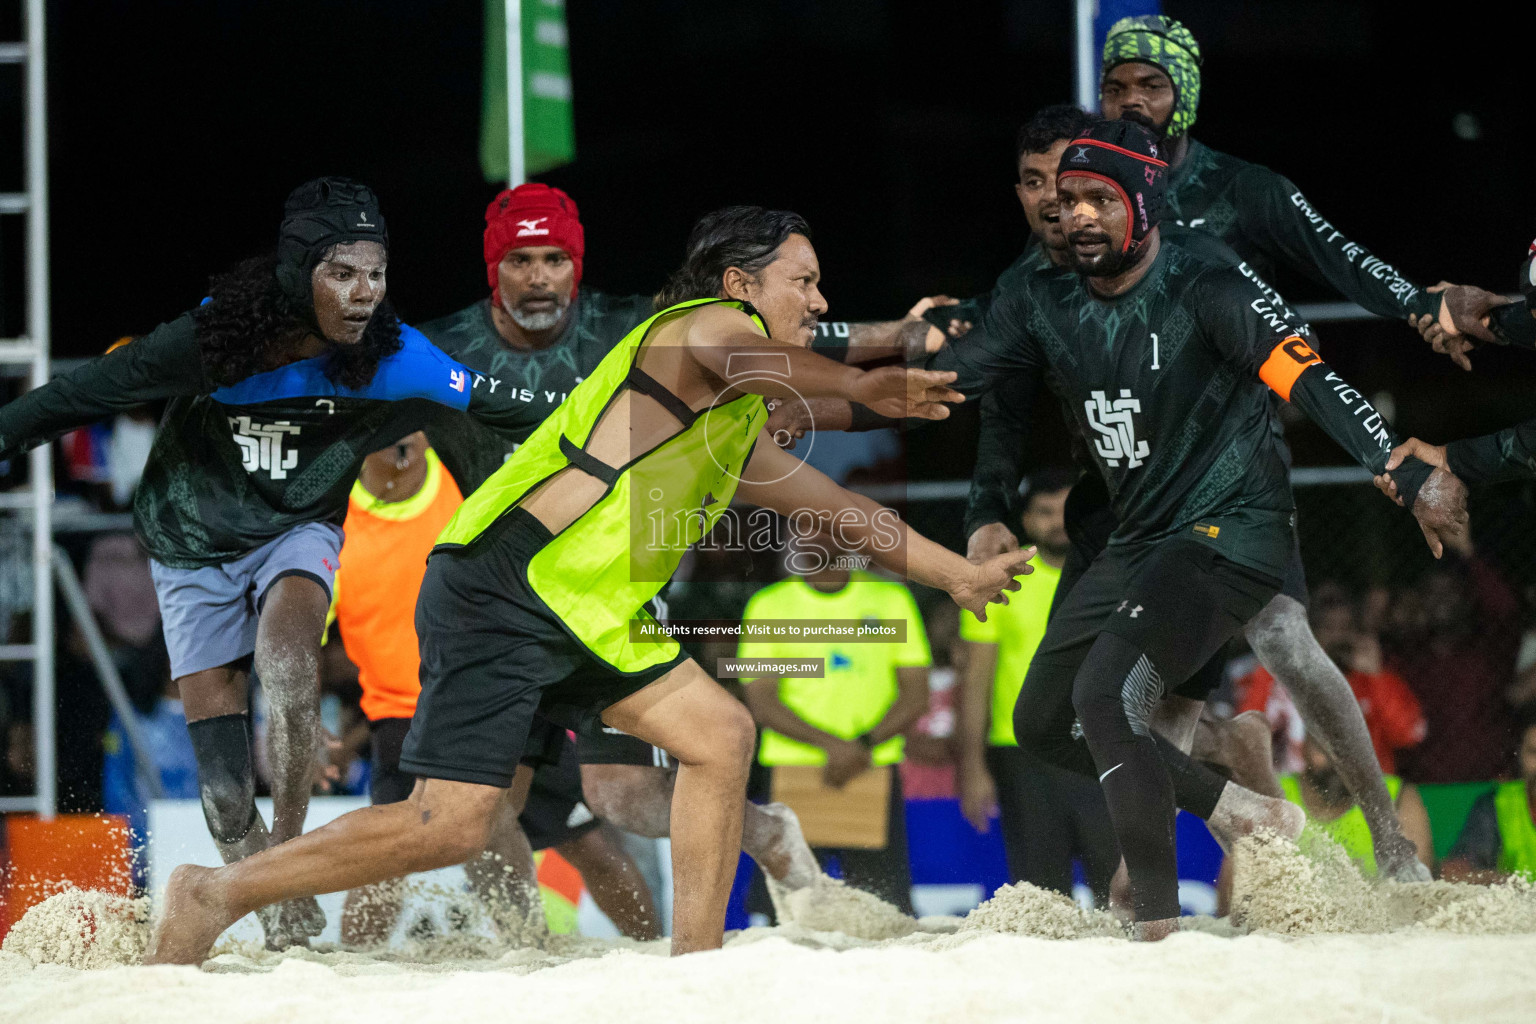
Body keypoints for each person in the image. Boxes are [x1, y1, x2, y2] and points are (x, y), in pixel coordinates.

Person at [145, 204, 1036, 964]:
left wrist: (959, 574)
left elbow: (841, 511)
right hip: (509, 581)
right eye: (802, 282)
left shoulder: (734, 429)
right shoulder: (697, 328)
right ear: (739, 283)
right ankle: (214, 894)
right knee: (448, 825)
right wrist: (873, 379)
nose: (819, 300)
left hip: (587, 606)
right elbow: (781, 369)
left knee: (719, 735)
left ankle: (695, 968)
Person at [963, 17, 1485, 877]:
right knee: (1106, 701)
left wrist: (1423, 308)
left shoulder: (1242, 191)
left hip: (1228, 482)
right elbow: (1005, 387)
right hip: (1121, 492)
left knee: (1284, 643)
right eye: (1118, 87)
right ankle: (1203, 795)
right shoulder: (1079, 211)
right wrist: (982, 501)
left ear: (1186, 96)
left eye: (1152, 87)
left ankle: (1390, 846)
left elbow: (1341, 263)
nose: (1133, 101)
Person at [0, 178, 528, 949]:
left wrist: (639, 421)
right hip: (189, 538)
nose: (364, 294)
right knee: (220, 797)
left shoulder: (394, 355)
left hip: (295, 529)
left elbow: (511, 405)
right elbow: (85, 392)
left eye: (376, 274)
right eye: (342, 274)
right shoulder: (213, 342)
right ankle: (272, 905)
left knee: (287, 654)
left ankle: (286, 859)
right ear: (297, 273)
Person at [416, 183, 859, 910]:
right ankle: (516, 946)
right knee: (483, 802)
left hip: (607, 581)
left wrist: (887, 338)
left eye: (555, 258)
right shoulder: (440, 346)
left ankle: (758, 846)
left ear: (576, 265)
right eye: (520, 259)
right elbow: (352, 378)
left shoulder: (628, 323)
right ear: (492, 268)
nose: (538, 276)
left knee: (617, 791)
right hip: (500, 588)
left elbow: (769, 331)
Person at [329, 431, 660, 944]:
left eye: (416, 424)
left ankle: (654, 952)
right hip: (403, 715)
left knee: (588, 842)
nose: (404, 437)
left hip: (501, 691)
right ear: (363, 433)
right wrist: (310, 721)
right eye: (389, 427)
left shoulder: (464, 468)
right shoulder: (333, 518)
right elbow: (313, 641)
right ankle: (348, 966)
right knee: (385, 863)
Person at [739, 525, 933, 913]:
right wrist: (839, 748)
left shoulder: (892, 599)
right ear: (792, 539)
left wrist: (859, 747)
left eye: (832, 530)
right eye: (807, 530)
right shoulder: (767, 605)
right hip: (794, 771)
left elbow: (916, 694)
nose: (820, 539)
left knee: (885, 907)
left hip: (872, 769)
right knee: (787, 911)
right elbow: (760, 699)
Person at [956, 468, 1118, 904]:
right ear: (1025, 522)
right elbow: (975, 681)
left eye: (1067, 511)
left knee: (1120, 888)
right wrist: (971, 765)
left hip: (1098, 747)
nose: (1057, 522)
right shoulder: (999, 582)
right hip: (1021, 754)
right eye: (1044, 512)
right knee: (1041, 890)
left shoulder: (1109, 578)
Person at [1237, 589, 1425, 774]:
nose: (1337, 637)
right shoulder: (1281, 676)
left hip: (1365, 795)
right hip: (1296, 793)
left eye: (1345, 627)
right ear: (1311, 633)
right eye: (1329, 628)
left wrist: (1378, 676)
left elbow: (1410, 733)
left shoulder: (1372, 679)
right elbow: (1246, 737)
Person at [1441, 717, 1536, 883]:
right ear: (1519, 754)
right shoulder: (1497, 804)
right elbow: (1453, 873)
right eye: (1534, 752)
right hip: (1514, 906)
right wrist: (1507, 884)